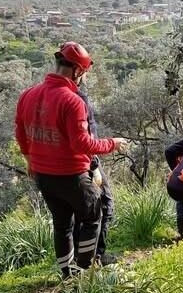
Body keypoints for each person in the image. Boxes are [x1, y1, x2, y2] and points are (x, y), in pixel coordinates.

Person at [15, 42, 127, 278]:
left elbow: (21, 134)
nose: (83, 78)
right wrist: (112, 144)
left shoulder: (28, 94)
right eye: (83, 73)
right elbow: (82, 145)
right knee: (93, 216)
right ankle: (85, 270)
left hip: (44, 176)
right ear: (77, 71)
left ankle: (67, 274)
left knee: (62, 224)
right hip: (72, 175)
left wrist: (30, 162)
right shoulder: (73, 100)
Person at [73, 90, 116, 267]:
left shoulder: (51, 93)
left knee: (76, 212)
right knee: (105, 205)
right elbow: (86, 136)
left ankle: (78, 259)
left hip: (67, 165)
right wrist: (94, 164)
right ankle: (93, 258)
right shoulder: (77, 97)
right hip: (84, 162)